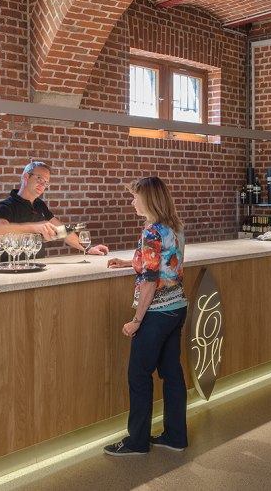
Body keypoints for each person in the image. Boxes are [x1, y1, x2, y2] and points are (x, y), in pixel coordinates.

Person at [103, 176, 188, 456]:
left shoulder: (151, 233)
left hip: (156, 313)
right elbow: (164, 264)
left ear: (149, 200)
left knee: (139, 375)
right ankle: (176, 436)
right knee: (172, 374)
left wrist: (137, 320)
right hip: (177, 307)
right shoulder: (174, 227)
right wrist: (130, 262)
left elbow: (151, 281)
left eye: (135, 197)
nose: (132, 202)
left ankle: (137, 441)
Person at [0, 161, 108, 256]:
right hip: (11, 268)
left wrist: (88, 249)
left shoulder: (40, 205)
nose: (42, 185)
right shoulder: (6, 206)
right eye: (39, 179)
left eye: (46, 183)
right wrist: (35, 227)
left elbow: (62, 231)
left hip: (38, 265)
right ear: (26, 176)